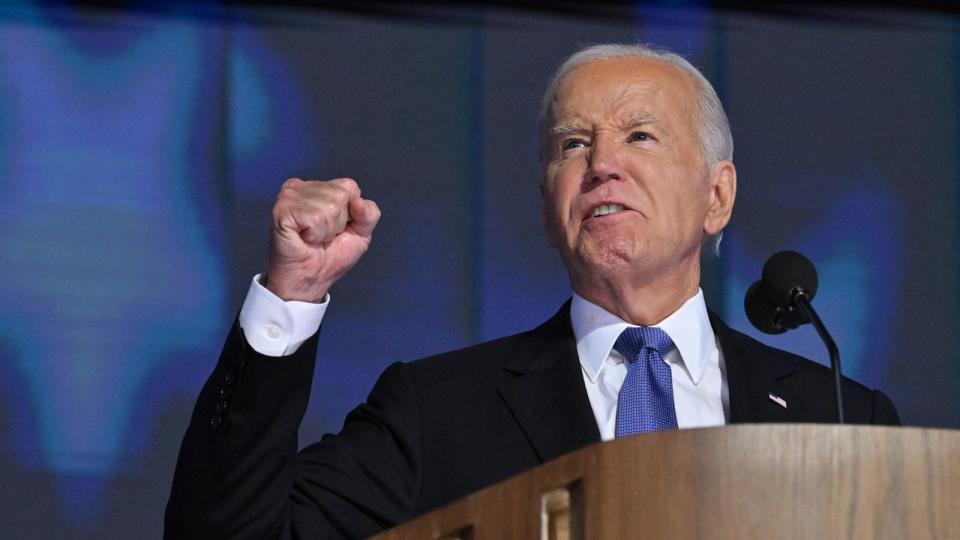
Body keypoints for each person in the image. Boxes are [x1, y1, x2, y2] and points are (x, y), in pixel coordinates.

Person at [165, 43, 900, 539]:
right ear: (549, 203)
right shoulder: (438, 415)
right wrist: (289, 298)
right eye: (573, 145)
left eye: (640, 136)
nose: (602, 164)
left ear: (718, 196)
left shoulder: (842, 417)